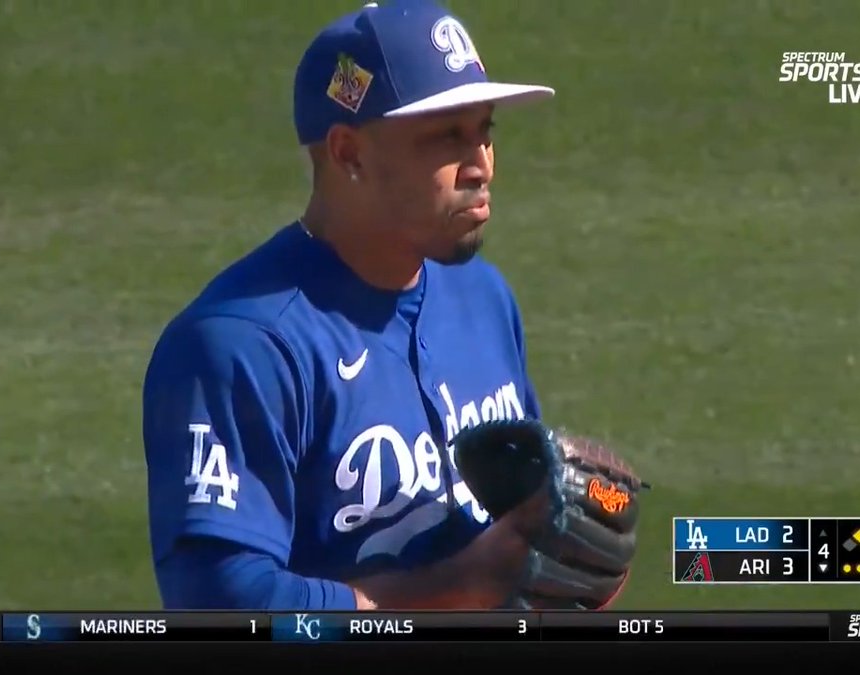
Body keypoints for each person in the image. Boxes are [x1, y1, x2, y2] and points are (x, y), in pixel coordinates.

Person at [142, 0, 561, 610]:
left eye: (484, 130)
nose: (481, 165)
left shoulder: (483, 297)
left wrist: (555, 531)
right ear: (348, 154)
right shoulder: (241, 346)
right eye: (447, 136)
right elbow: (219, 599)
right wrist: (457, 588)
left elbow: (514, 523)